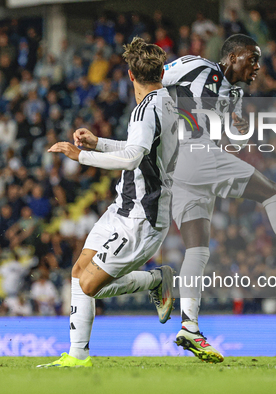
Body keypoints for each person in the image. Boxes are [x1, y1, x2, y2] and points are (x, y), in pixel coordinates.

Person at [162, 34, 276, 364]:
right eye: (251, 59)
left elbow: (227, 131)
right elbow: (155, 78)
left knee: (197, 249)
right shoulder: (194, 65)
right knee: (272, 192)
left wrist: (235, 128)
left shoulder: (235, 94)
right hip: (192, 155)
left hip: (187, 168)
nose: (257, 66)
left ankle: (189, 326)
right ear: (231, 57)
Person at [36, 37, 178, 368]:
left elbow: (131, 159)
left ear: (130, 75)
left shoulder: (147, 109)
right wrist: (99, 143)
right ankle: (77, 357)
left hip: (143, 215)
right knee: (78, 272)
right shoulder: (166, 101)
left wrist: (82, 155)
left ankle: (157, 279)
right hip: (125, 206)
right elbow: (138, 150)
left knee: (89, 285)